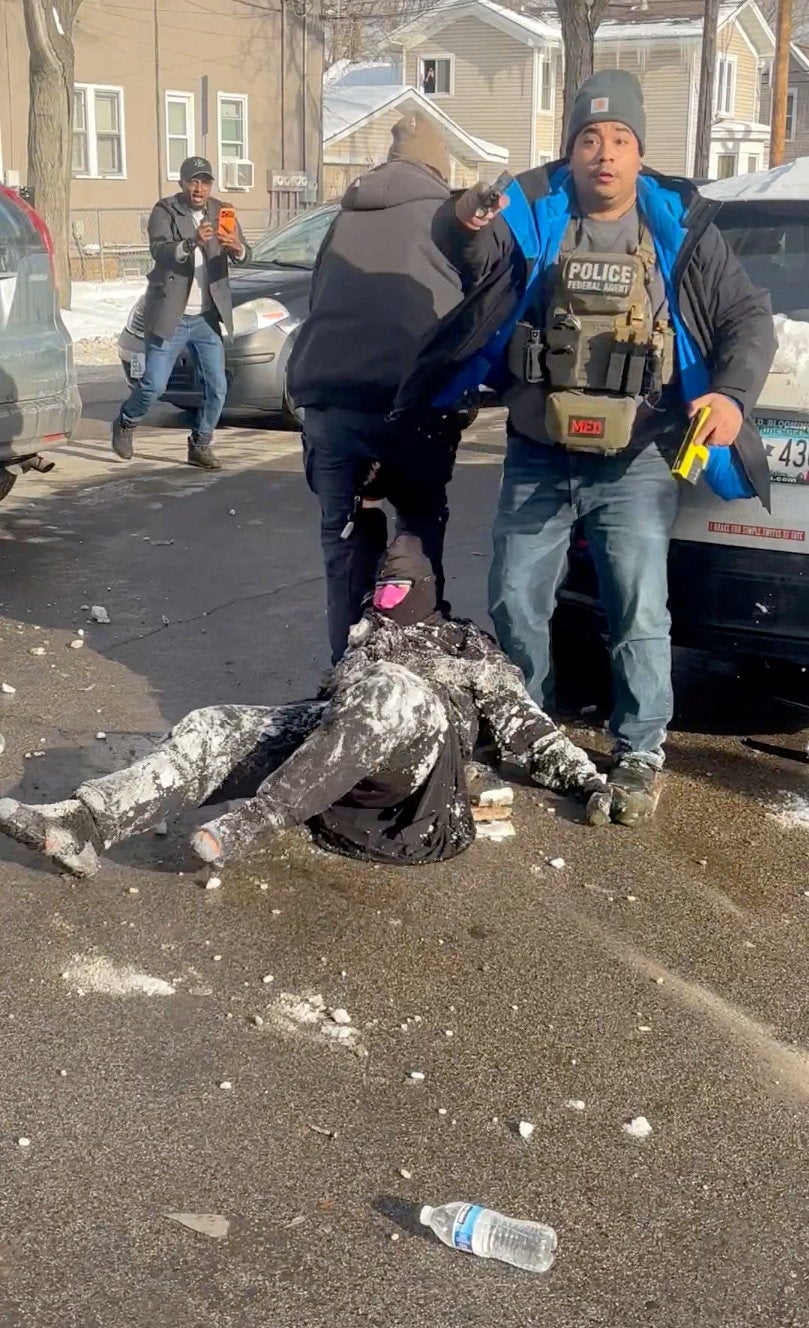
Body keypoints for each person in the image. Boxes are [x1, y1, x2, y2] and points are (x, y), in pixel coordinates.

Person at [393, 70, 776, 824]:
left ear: (639, 152)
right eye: (589, 138)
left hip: (637, 460)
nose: (604, 153)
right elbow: (467, 248)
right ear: (570, 150)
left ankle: (640, 751)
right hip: (539, 452)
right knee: (514, 600)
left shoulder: (680, 230)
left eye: (620, 139)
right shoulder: (532, 217)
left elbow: (747, 318)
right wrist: (462, 218)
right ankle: (528, 724)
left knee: (638, 608)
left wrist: (731, 396)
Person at [0, 536, 632, 880]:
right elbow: (336, 716)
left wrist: (589, 781)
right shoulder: (366, 637)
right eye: (379, 588)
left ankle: (254, 821)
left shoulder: (465, 648)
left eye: (397, 589)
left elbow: (530, 730)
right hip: (342, 751)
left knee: (391, 690)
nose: (383, 600)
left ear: (425, 592)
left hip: (420, 777)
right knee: (215, 724)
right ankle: (85, 823)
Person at [287, 113, 470, 664]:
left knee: (345, 539)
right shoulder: (446, 217)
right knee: (417, 528)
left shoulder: (344, 216)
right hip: (410, 404)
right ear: (438, 166)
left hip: (331, 403)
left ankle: (347, 669)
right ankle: (412, 662)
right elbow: (465, 313)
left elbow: (318, 297)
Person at [111, 156, 251, 471]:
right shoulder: (165, 210)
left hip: (206, 318)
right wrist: (191, 243)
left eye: (205, 182)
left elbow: (245, 254)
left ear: (211, 186)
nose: (199, 188)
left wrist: (236, 247)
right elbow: (159, 251)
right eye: (193, 181)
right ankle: (126, 421)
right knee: (154, 385)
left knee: (217, 387)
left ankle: (200, 444)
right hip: (171, 314)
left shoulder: (222, 211)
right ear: (182, 183)